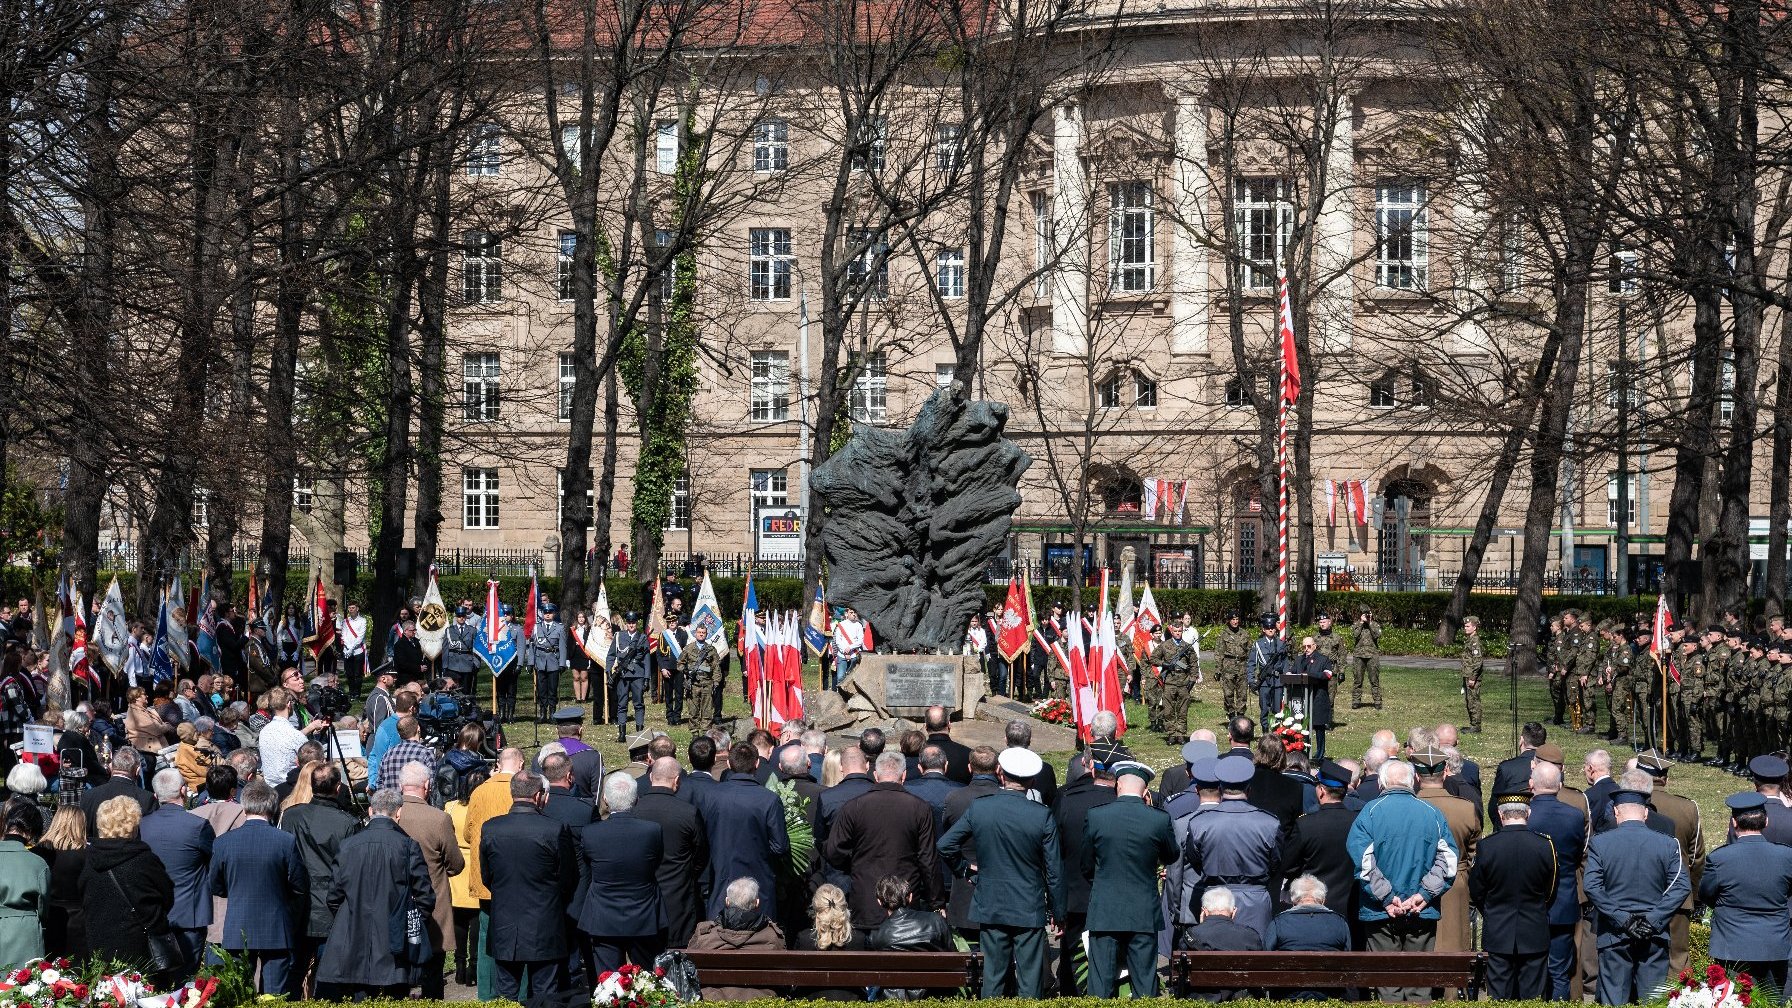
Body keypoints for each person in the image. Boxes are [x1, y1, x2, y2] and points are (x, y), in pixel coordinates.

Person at [937, 747, 1063, 998]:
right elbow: (1054, 870)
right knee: (1029, 981)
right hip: (1028, 904)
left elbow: (945, 845)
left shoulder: (981, 809)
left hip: (991, 902)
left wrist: (965, 870)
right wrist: (1057, 911)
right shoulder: (1041, 815)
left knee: (992, 979)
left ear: (1000, 774)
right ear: (1032, 782)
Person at [1346, 758, 1460, 1002]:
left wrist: (1388, 898)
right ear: (1413, 781)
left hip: (1381, 912)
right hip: (1421, 910)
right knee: (1419, 986)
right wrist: (1424, 895)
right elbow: (1448, 861)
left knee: (1389, 987)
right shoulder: (1432, 813)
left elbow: (1363, 861)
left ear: (1381, 783)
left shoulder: (1371, 812)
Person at [315, 788, 434, 1000]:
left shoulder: (348, 845)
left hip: (354, 935)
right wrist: (411, 922)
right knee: (396, 996)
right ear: (398, 813)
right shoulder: (407, 846)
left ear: (370, 810)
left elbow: (333, 895)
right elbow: (425, 895)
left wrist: (350, 917)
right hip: (395, 938)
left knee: (360, 996)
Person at [1583, 776, 1690, 1006]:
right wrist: (1652, 920)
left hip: (1615, 934)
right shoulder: (1668, 844)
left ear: (1617, 813)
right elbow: (1680, 887)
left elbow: (1592, 886)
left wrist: (1624, 919)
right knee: (1652, 1001)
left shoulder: (1601, 843)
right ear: (1645, 814)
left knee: (1615, 1001)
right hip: (1654, 934)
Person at [480, 769, 578, 1006]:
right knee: (545, 995)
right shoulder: (555, 829)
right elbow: (568, 879)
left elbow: (487, 877)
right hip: (544, 923)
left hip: (505, 923)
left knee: (507, 996)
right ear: (538, 796)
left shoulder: (491, 828)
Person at [1083, 762, 1178, 999]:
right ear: (1145, 790)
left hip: (1106, 906)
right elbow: (1171, 855)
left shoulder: (1096, 816)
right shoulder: (1158, 819)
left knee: (1100, 984)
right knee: (1144, 982)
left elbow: (1085, 863)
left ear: (1118, 784)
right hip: (1143, 908)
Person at [824, 751, 942, 928]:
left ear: (875, 775)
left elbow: (833, 851)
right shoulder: (919, 808)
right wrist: (936, 903)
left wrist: (858, 860)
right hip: (905, 898)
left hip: (865, 897)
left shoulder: (854, 806)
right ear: (904, 775)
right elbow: (928, 859)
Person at [1179, 754, 1282, 942]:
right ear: (1249, 789)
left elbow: (1196, 860)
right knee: (1255, 954)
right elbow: (1275, 862)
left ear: (1220, 788)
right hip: (1255, 899)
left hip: (1215, 900)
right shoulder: (1270, 822)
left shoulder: (1200, 822)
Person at [1698, 792, 1792, 991]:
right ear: (1765, 821)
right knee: (1774, 1002)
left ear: (1734, 823)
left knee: (1734, 999)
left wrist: (1726, 905)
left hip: (1732, 944)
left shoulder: (1720, 858)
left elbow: (1706, 894)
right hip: (1774, 944)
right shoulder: (1786, 856)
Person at [279, 763, 358, 997]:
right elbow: (349, 870)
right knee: (327, 972)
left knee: (295, 968)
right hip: (329, 905)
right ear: (338, 787)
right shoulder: (347, 822)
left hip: (299, 904)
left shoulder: (291, 815)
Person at [574, 773, 665, 977]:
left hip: (604, 915)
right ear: (636, 799)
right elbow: (655, 863)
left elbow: (590, 865)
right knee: (646, 981)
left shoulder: (591, 833)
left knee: (608, 981)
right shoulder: (652, 831)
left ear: (605, 799)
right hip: (642, 913)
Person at [83, 796, 177, 988]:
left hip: (100, 943)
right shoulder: (145, 860)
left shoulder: (90, 861)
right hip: (141, 944)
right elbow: (167, 897)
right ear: (134, 824)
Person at [1470, 794, 1557, 999]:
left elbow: (1477, 890)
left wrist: (1492, 910)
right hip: (1533, 928)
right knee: (1533, 998)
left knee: (1499, 996)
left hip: (1499, 930)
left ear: (1500, 815)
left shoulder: (1487, 846)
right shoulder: (1544, 845)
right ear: (1528, 813)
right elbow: (1550, 890)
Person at [395, 761, 463, 999]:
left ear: (400, 786)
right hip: (433, 902)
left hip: (396, 902)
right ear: (427, 785)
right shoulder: (439, 818)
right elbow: (456, 863)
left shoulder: (391, 815)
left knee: (398, 968)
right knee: (433, 969)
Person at [698, 743, 789, 920]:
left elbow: (701, 839)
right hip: (758, 884)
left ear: (729, 765)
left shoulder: (711, 796)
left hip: (721, 881)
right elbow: (780, 846)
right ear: (756, 764)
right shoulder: (769, 800)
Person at [139, 769, 215, 975]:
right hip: (189, 913)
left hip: (155, 913)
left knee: (158, 981)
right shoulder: (198, 826)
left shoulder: (142, 826)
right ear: (183, 791)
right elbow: (213, 863)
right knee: (187, 982)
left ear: (156, 796)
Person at [1525, 757, 1586, 998]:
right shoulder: (1574, 816)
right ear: (1559, 786)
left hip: (1532, 902)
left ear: (1532, 784)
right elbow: (1579, 852)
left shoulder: (1526, 815)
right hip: (1564, 899)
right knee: (1559, 971)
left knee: (1532, 969)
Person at [1411, 746, 1479, 955]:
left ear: (1416, 775)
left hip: (1414, 884)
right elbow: (1473, 851)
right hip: (1455, 883)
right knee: (1453, 950)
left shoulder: (1408, 808)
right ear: (1446, 770)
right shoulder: (1465, 808)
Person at [634, 757, 708, 949]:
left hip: (642, 899)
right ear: (677, 781)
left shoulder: (635, 811)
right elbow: (701, 854)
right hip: (679, 896)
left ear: (651, 777)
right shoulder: (688, 812)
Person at [1283, 760, 1361, 930]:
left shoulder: (1305, 825)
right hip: (1351, 904)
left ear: (1321, 791)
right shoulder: (1358, 823)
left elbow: (1288, 866)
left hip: (1313, 905)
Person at [687, 877, 785, 1001]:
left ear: (727, 901)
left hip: (712, 998)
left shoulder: (704, 933)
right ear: (757, 903)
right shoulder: (773, 935)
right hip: (760, 1000)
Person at [865, 874, 954, 998]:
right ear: (910, 897)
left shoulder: (875, 936)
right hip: (934, 996)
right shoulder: (936, 921)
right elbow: (954, 961)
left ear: (879, 902)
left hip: (893, 999)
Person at [446, 769, 488, 990]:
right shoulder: (483, 807)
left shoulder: (450, 807)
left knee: (459, 920)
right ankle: (473, 965)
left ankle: (460, 965)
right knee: (475, 920)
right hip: (476, 863)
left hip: (457, 867)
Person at [792, 885, 864, 1000]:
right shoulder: (858, 939)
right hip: (852, 1000)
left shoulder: (804, 939)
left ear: (816, 909)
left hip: (811, 1001)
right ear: (844, 908)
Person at [0, 804, 46, 970]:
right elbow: (43, 907)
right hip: (25, 931)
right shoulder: (38, 864)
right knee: (25, 989)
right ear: (32, 830)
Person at [1266, 874, 1350, 952]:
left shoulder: (1279, 922)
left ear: (1293, 900)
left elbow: (1267, 952)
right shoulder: (1340, 923)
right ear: (1323, 900)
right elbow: (1347, 952)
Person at [80, 748, 155, 834]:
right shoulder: (148, 799)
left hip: (97, 846)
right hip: (132, 847)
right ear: (137, 771)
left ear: (111, 767)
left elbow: (83, 833)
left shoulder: (89, 796)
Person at [608, 612, 651, 743]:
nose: (631, 624)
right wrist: (608, 671)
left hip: (637, 674)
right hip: (622, 676)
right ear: (626, 623)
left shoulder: (642, 637)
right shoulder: (618, 636)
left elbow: (647, 659)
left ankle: (639, 733)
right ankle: (622, 734)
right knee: (622, 704)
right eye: (629, 622)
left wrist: (646, 678)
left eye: (633, 622)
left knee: (638, 704)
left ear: (636, 623)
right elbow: (611, 655)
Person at [1291, 635, 1336, 757]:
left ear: (1314, 646)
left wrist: (1310, 675)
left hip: (1318, 697)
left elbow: (1328, 674)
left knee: (1319, 726)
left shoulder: (1323, 659)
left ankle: (1320, 753)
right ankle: (1300, 751)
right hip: (1302, 698)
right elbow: (1293, 673)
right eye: (1304, 646)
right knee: (1301, 725)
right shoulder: (1299, 659)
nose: (1306, 648)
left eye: (1309, 646)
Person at [1246, 614, 1287, 724]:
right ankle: (1265, 733)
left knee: (1277, 710)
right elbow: (1251, 664)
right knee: (1264, 709)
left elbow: (1285, 663)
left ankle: (1276, 733)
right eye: (1268, 628)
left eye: (1272, 627)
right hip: (1264, 682)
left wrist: (1286, 678)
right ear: (1263, 629)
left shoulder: (1281, 644)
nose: (1270, 630)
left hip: (1277, 681)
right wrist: (1251, 680)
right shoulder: (1258, 644)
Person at [1350, 607, 1383, 708]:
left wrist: (1369, 623)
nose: (1367, 616)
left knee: (1374, 680)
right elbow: (1355, 635)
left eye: (1369, 614)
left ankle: (1377, 701)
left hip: (1372, 655)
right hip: (1359, 656)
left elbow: (1377, 635)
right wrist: (1361, 622)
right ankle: (1356, 701)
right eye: (1365, 614)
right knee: (1357, 680)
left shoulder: (1375, 624)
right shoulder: (1356, 624)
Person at [831, 607, 868, 691]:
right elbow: (838, 640)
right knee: (840, 677)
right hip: (842, 654)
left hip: (854, 655)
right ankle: (840, 695)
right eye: (851, 612)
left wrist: (850, 648)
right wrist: (845, 651)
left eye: (855, 612)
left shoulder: (858, 625)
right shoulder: (841, 625)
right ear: (846, 614)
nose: (854, 614)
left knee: (852, 677)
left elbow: (860, 640)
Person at [1461, 616, 1486, 732]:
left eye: (1468, 626)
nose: (1465, 628)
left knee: (1473, 701)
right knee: (1469, 700)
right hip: (1467, 675)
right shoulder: (1469, 640)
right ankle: (1472, 724)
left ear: (1474, 627)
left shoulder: (1475, 641)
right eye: (1465, 626)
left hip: (1472, 677)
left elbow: (1478, 661)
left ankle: (1476, 726)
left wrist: (1473, 677)